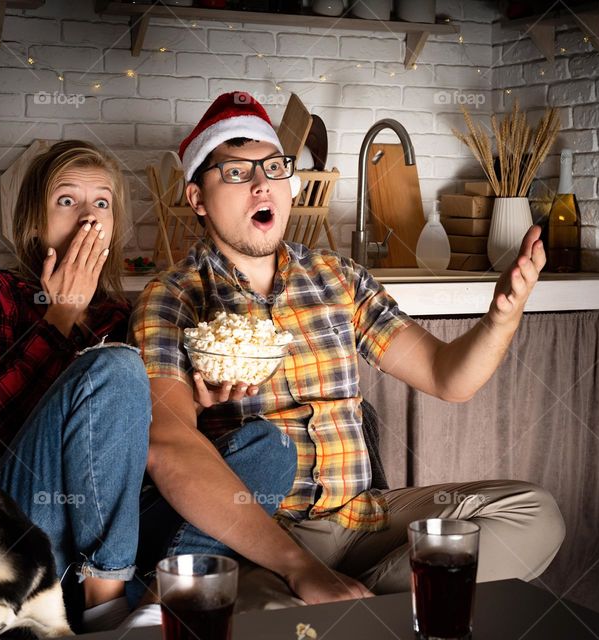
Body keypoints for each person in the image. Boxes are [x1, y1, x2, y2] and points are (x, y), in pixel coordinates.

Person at [127, 92, 566, 615]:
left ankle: (351, 606)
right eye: (237, 173)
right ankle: (361, 600)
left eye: (273, 166)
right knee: (275, 621)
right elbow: (168, 444)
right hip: (257, 539)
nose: (263, 183)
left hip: (365, 520)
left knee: (533, 514)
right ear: (197, 198)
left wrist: (501, 316)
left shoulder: (338, 278)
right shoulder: (173, 296)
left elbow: (450, 377)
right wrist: (300, 568)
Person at [0, 140, 151, 631]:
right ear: (34, 220)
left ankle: (158, 596)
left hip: (94, 530)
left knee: (266, 448)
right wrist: (60, 317)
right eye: (67, 200)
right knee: (117, 368)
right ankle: (108, 606)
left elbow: (130, 452)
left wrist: (191, 405)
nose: (88, 219)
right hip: (11, 521)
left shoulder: (121, 315)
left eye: (102, 203)